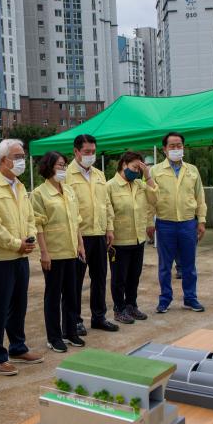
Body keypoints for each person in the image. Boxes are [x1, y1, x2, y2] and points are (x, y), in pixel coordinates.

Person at [0, 139, 44, 375]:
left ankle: (17, 346)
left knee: (18, 304)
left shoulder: (21, 186)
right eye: (17, 156)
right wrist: (16, 244)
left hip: (20, 256)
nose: (22, 160)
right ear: (3, 160)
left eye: (22, 156)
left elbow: (30, 218)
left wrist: (31, 238)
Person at [32, 151, 87, 352]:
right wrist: (44, 253)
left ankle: (70, 331)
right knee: (53, 296)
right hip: (54, 253)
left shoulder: (70, 191)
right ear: (48, 167)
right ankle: (54, 337)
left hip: (71, 250)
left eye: (64, 165)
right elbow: (38, 225)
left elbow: (76, 221)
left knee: (72, 294)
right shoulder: (40, 193)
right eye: (59, 165)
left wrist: (80, 244)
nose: (63, 169)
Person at [65, 134, 119, 332]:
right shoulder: (67, 175)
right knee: (75, 281)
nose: (90, 155)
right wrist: (77, 237)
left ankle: (99, 317)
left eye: (93, 152)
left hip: (99, 234)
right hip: (79, 236)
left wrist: (109, 228)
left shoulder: (99, 174)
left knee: (99, 278)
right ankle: (75, 320)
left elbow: (106, 203)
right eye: (86, 152)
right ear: (76, 152)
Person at [150, 132, 208, 313]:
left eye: (179, 146)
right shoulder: (155, 171)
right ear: (164, 149)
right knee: (165, 266)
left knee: (189, 265)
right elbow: (149, 199)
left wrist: (202, 220)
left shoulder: (192, 170)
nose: (176, 149)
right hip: (165, 223)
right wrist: (148, 223)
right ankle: (165, 299)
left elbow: (200, 196)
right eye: (172, 146)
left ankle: (190, 298)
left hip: (188, 223)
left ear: (183, 147)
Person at [106, 152, 157, 322]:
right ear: (123, 165)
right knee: (119, 278)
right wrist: (109, 232)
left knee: (134, 275)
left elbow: (155, 199)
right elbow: (108, 212)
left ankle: (131, 305)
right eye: (134, 167)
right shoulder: (110, 186)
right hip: (119, 240)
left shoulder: (139, 185)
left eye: (139, 169)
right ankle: (119, 309)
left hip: (138, 238)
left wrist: (148, 176)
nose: (136, 171)